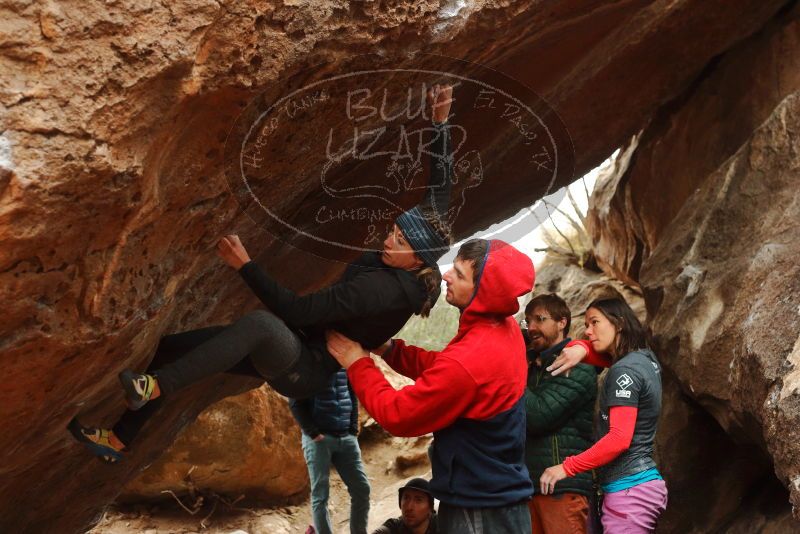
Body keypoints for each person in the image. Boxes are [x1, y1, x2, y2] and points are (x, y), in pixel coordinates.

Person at [68, 85, 456, 463]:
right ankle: (120, 438)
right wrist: (440, 124)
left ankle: (153, 388)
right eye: (394, 230)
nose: (389, 240)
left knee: (260, 325)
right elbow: (441, 187)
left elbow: (298, 313)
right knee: (171, 347)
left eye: (400, 241)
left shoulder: (378, 290)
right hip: (300, 347)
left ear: (418, 259)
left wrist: (245, 266)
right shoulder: (422, 250)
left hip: (304, 367)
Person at [327, 238, 535, 534]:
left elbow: (400, 414)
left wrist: (357, 363)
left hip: (476, 512)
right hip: (497, 501)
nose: (447, 275)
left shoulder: (471, 359)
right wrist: (391, 350)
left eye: (460, 275)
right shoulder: (501, 329)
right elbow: (449, 371)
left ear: (483, 293)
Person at [539, 298, 667, 533]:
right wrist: (582, 348)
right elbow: (604, 356)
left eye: (594, 322)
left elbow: (619, 439)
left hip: (629, 490)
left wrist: (566, 467)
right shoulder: (645, 358)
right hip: (638, 485)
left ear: (618, 323)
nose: (588, 331)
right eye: (587, 324)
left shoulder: (624, 371)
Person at [523, 294, 597, 534]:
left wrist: (509, 374)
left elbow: (540, 416)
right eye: (528, 321)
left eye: (540, 319)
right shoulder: (533, 364)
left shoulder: (577, 366)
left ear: (562, 322)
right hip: (528, 488)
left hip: (562, 490)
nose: (532, 327)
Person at [290, 369, 370, 534]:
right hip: (319, 440)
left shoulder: (343, 362)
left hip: (346, 437)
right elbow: (295, 402)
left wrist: (353, 429)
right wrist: (313, 432)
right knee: (320, 496)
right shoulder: (307, 363)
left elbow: (351, 393)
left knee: (362, 489)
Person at [373, 478, 438, 534]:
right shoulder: (393, 528)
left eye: (418, 500)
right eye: (406, 498)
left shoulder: (443, 526)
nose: (409, 507)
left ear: (430, 508)